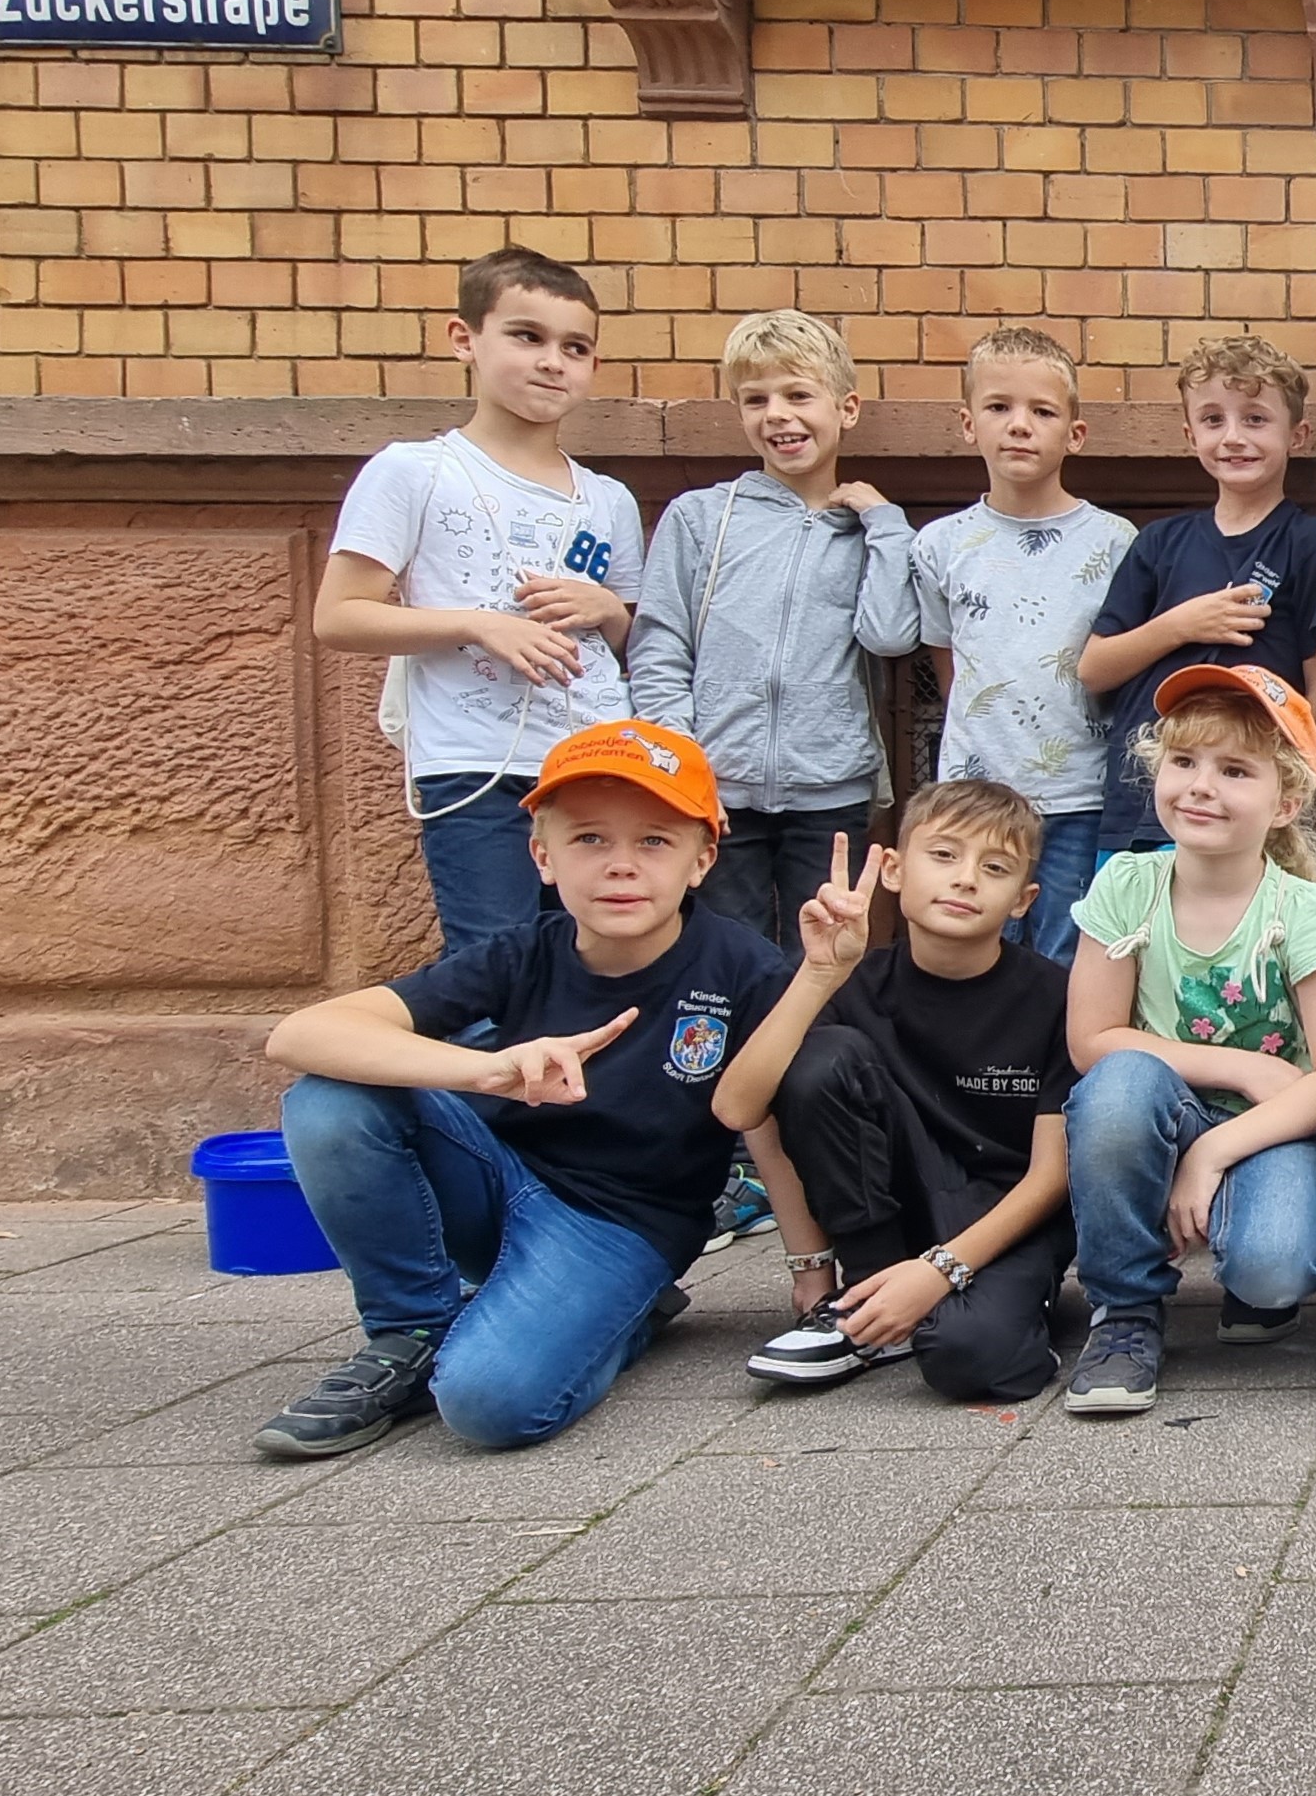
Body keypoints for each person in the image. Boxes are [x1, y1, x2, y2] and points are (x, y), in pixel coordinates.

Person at [251, 721, 791, 1456]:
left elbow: (775, 1121)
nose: (621, 866)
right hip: (496, 1185)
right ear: (544, 856)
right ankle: (409, 1332)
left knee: (488, 1404)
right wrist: (485, 1070)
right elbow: (300, 1035)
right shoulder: (519, 951)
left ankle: (623, 1317)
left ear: (702, 859)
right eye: (590, 840)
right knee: (330, 1098)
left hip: (621, 1227)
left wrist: (810, 1271)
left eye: (654, 841)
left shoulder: (743, 966)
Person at [313, 245, 640, 952]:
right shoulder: (413, 471)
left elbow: (638, 641)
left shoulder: (609, 500)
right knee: (496, 965)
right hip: (474, 767)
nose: (553, 361)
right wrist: (480, 625)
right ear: (465, 339)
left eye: (574, 347)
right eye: (528, 337)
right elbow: (338, 615)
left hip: (595, 762)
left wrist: (610, 613)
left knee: (597, 963)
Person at [711, 782, 1076, 1403]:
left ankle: (995, 1312)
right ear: (893, 871)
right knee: (821, 1058)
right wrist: (820, 971)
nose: (965, 880)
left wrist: (941, 1272)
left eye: (995, 868)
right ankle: (869, 1290)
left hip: (1003, 1213)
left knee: (977, 1363)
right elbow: (739, 1108)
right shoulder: (852, 982)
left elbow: (1050, 1178)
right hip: (892, 1204)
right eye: (944, 855)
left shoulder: (1057, 997)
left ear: (1023, 900)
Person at [1058, 666, 1316, 1415]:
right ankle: (1124, 1309)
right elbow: (1092, 1040)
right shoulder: (1128, 883)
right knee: (1119, 1086)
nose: (1199, 785)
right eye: (1183, 762)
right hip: (1163, 1111)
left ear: (1285, 802)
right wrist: (1238, 1065)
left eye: (1233, 770)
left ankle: (1248, 1263)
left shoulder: (1303, 909)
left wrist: (1215, 1150)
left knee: (1272, 1268)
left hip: (1271, 1128)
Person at [627, 308, 918, 953]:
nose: (777, 415)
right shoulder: (702, 517)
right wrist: (685, 764)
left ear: (846, 409)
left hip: (830, 788)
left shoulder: (866, 533)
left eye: (798, 395)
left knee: (825, 953)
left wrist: (887, 526)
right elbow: (659, 646)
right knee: (728, 952)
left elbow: (892, 636)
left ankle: (814, 1057)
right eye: (756, 400)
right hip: (718, 784)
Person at [911, 327, 1136, 963]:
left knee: (1068, 957)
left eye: (1042, 412)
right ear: (967, 423)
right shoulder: (939, 544)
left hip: (1079, 794)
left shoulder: (1115, 541)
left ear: (1075, 433)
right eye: (999, 408)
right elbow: (947, 660)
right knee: (973, 948)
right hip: (975, 797)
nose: (1019, 426)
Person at [1080, 334, 1316, 860]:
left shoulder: (1311, 543)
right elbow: (1094, 669)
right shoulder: (1158, 542)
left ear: (1297, 435)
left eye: (1256, 419)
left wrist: (1288, 782)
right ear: (1191, 435)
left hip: (1249, 807)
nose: (1234, 437)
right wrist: (1182, 625)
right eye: (1214, 420)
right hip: (1143, 806)